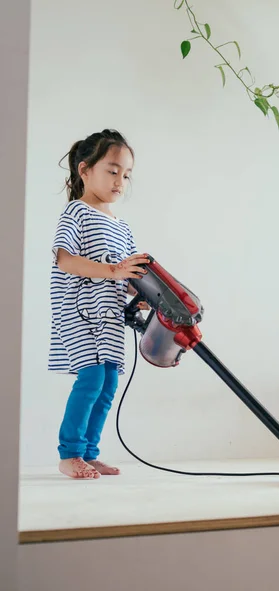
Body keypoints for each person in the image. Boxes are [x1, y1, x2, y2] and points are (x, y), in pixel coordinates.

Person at [49, 129, 149, 479]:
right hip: (77, 313)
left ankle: (89, 453)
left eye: (126, 174)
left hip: (108, 318)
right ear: (84, 170)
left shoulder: (123, 229)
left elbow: (125, 277)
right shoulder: (76, 213)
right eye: (112, 170)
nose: (120, 180)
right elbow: (66, 260)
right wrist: (113, 270)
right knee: (90, 379)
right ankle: (70, 453)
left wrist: (139, 297)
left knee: (107, 384)